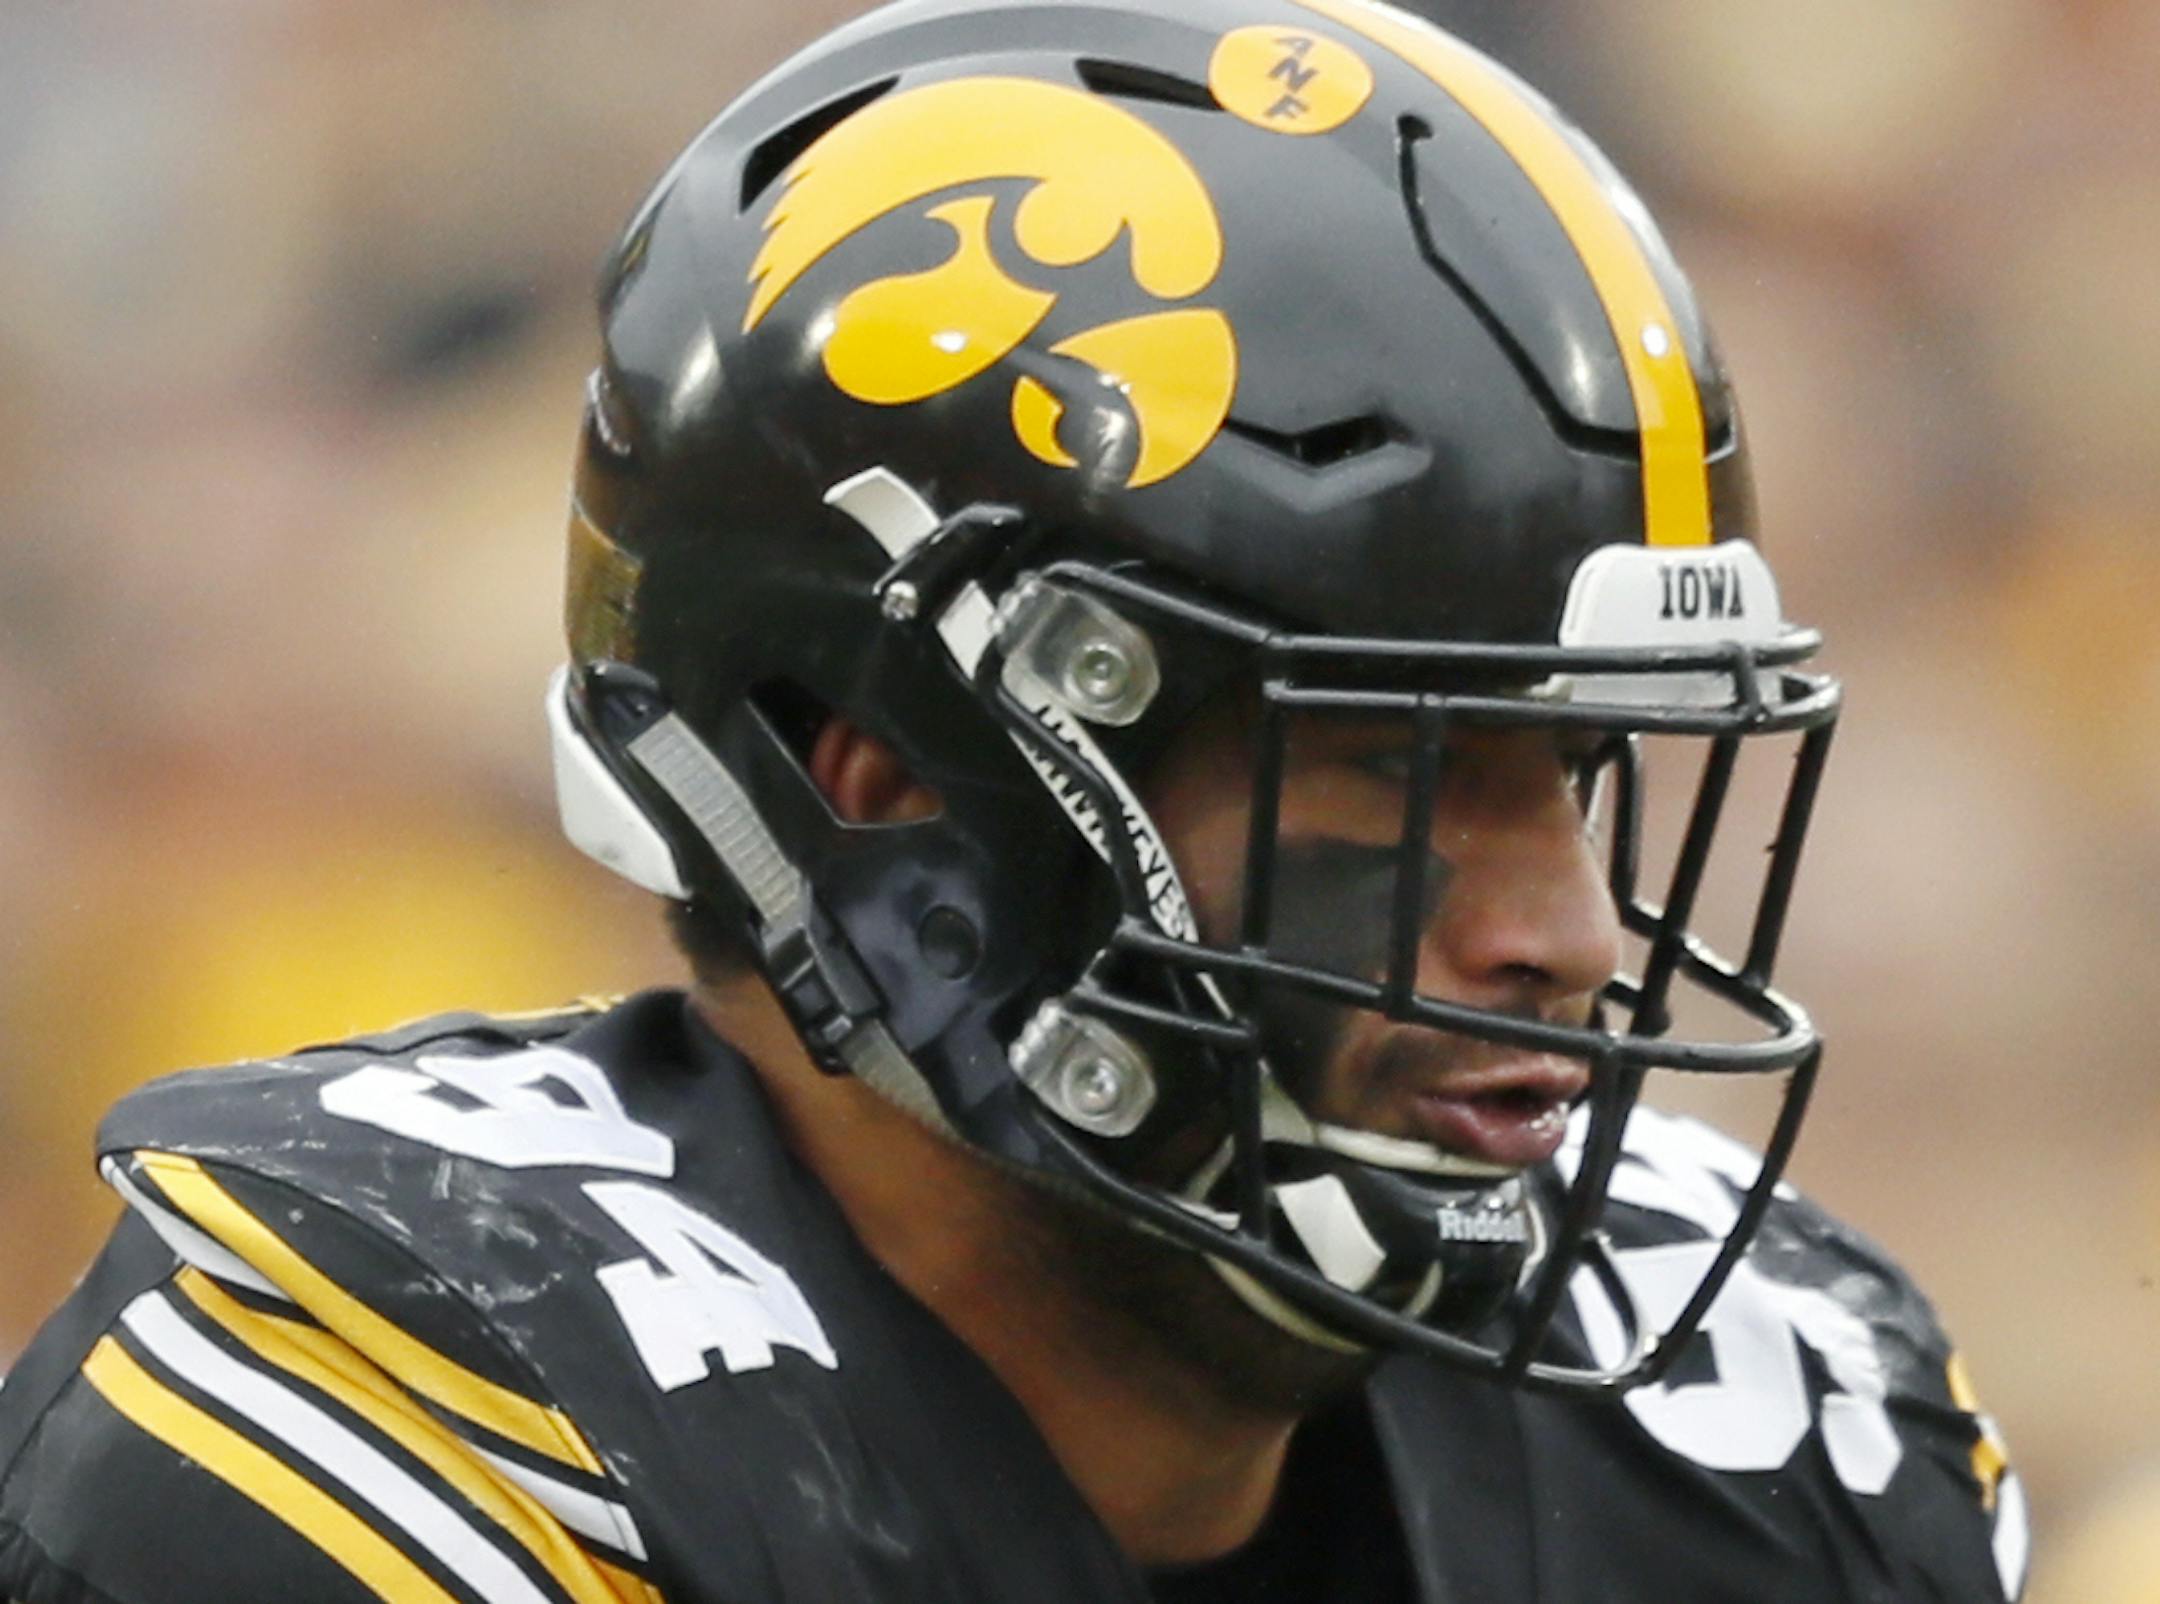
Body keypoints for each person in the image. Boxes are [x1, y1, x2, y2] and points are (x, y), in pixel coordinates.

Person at [0, 0, 2028, 1598]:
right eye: (1397, 780)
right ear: (880, 782)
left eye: (1575, 778)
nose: (1566, 935)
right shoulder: (443, 1448)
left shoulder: (1772, 1443)